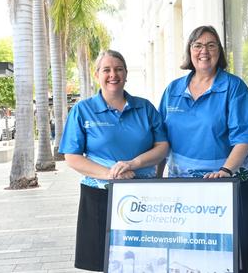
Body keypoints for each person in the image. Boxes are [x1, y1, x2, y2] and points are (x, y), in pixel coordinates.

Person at [157, 25, 248, 273]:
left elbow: (244, 137)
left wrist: (225, 171)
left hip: (230, 185)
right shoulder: (173, 90)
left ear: (219, 51)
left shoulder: (234, 87)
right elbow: (161, 139)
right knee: (191, 255)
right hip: (185, 191)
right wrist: (156, 178)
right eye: (198, 45)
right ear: (189, 51)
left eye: (211, 45)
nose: (204, 51)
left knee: (236, 255)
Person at [60, 49, 169, 272]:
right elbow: (71, 157)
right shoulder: (83, 110)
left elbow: (163, 147)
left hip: (144, 195)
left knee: (143, 261)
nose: (113, 75)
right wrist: (113, 174)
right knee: (101, 262)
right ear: (96, 74)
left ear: (126, 74)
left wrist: (133, 164)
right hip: (99, 197)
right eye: (106, 69)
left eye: (119, 69)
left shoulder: (145, 108)